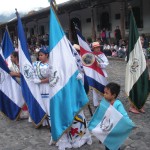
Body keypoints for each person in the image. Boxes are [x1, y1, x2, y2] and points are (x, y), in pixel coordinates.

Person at [54, 44, 92, 150]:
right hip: (62, 94)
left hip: (74, 97)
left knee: (77, 116)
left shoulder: (77, 63)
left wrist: (78, 79)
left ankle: (79, 136)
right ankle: (64, 138)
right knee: (63, 115)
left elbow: (84, 85)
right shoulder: (58, 63)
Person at [103, 82, 131, 150]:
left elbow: (124, 116)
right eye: (104, 92)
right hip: (107, 130)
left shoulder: (118, 104)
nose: (104, 95)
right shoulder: (106, 103)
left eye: (107, 93)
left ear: (113, 95)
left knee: (114, 147)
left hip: (115, 131)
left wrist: (129, 124)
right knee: (107, 146)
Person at [129, 35, 147, 114]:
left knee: (143, 88)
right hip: (135, 72)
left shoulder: (145, 50)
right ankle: (132, 106)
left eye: (142, 39)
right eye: (139, 40)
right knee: (135, 88)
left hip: (144, 72)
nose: (141, 41)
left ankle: (140, 105)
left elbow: (147, 60)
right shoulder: (133, 50)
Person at [32, 47, 50, 126]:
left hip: (48, 87)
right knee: (41, 102)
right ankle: (43, 120)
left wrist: (41, 81)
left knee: (48, 103)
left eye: (41, 55)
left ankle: (50, 121)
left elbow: (52, 77)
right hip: (39, 87)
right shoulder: (36, 64)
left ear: (47, 55)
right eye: (39, 55)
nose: (40, 57)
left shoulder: (51, 64)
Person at [9, 51, 28, 119]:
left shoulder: (22, 64)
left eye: (12, 57)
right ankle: (21, 111)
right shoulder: (11, 66)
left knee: (24, 97)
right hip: (16, 85)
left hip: (24, 84)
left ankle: (26, 111)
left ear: (16, 57)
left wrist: (15, 74)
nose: (10, 59)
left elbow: (25, 75)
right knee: (19, 97)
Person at [92, 42, 109, 107]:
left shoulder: (102, 54)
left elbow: (106, 63)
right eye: (96, 48)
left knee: (104, 87)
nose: (98, 49)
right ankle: (95, 103)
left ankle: (104, 101)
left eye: (98, 47)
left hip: (102, 73)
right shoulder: (91, 55)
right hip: (94, 73)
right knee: (95, 88)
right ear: (93, 48)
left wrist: (100, 65)